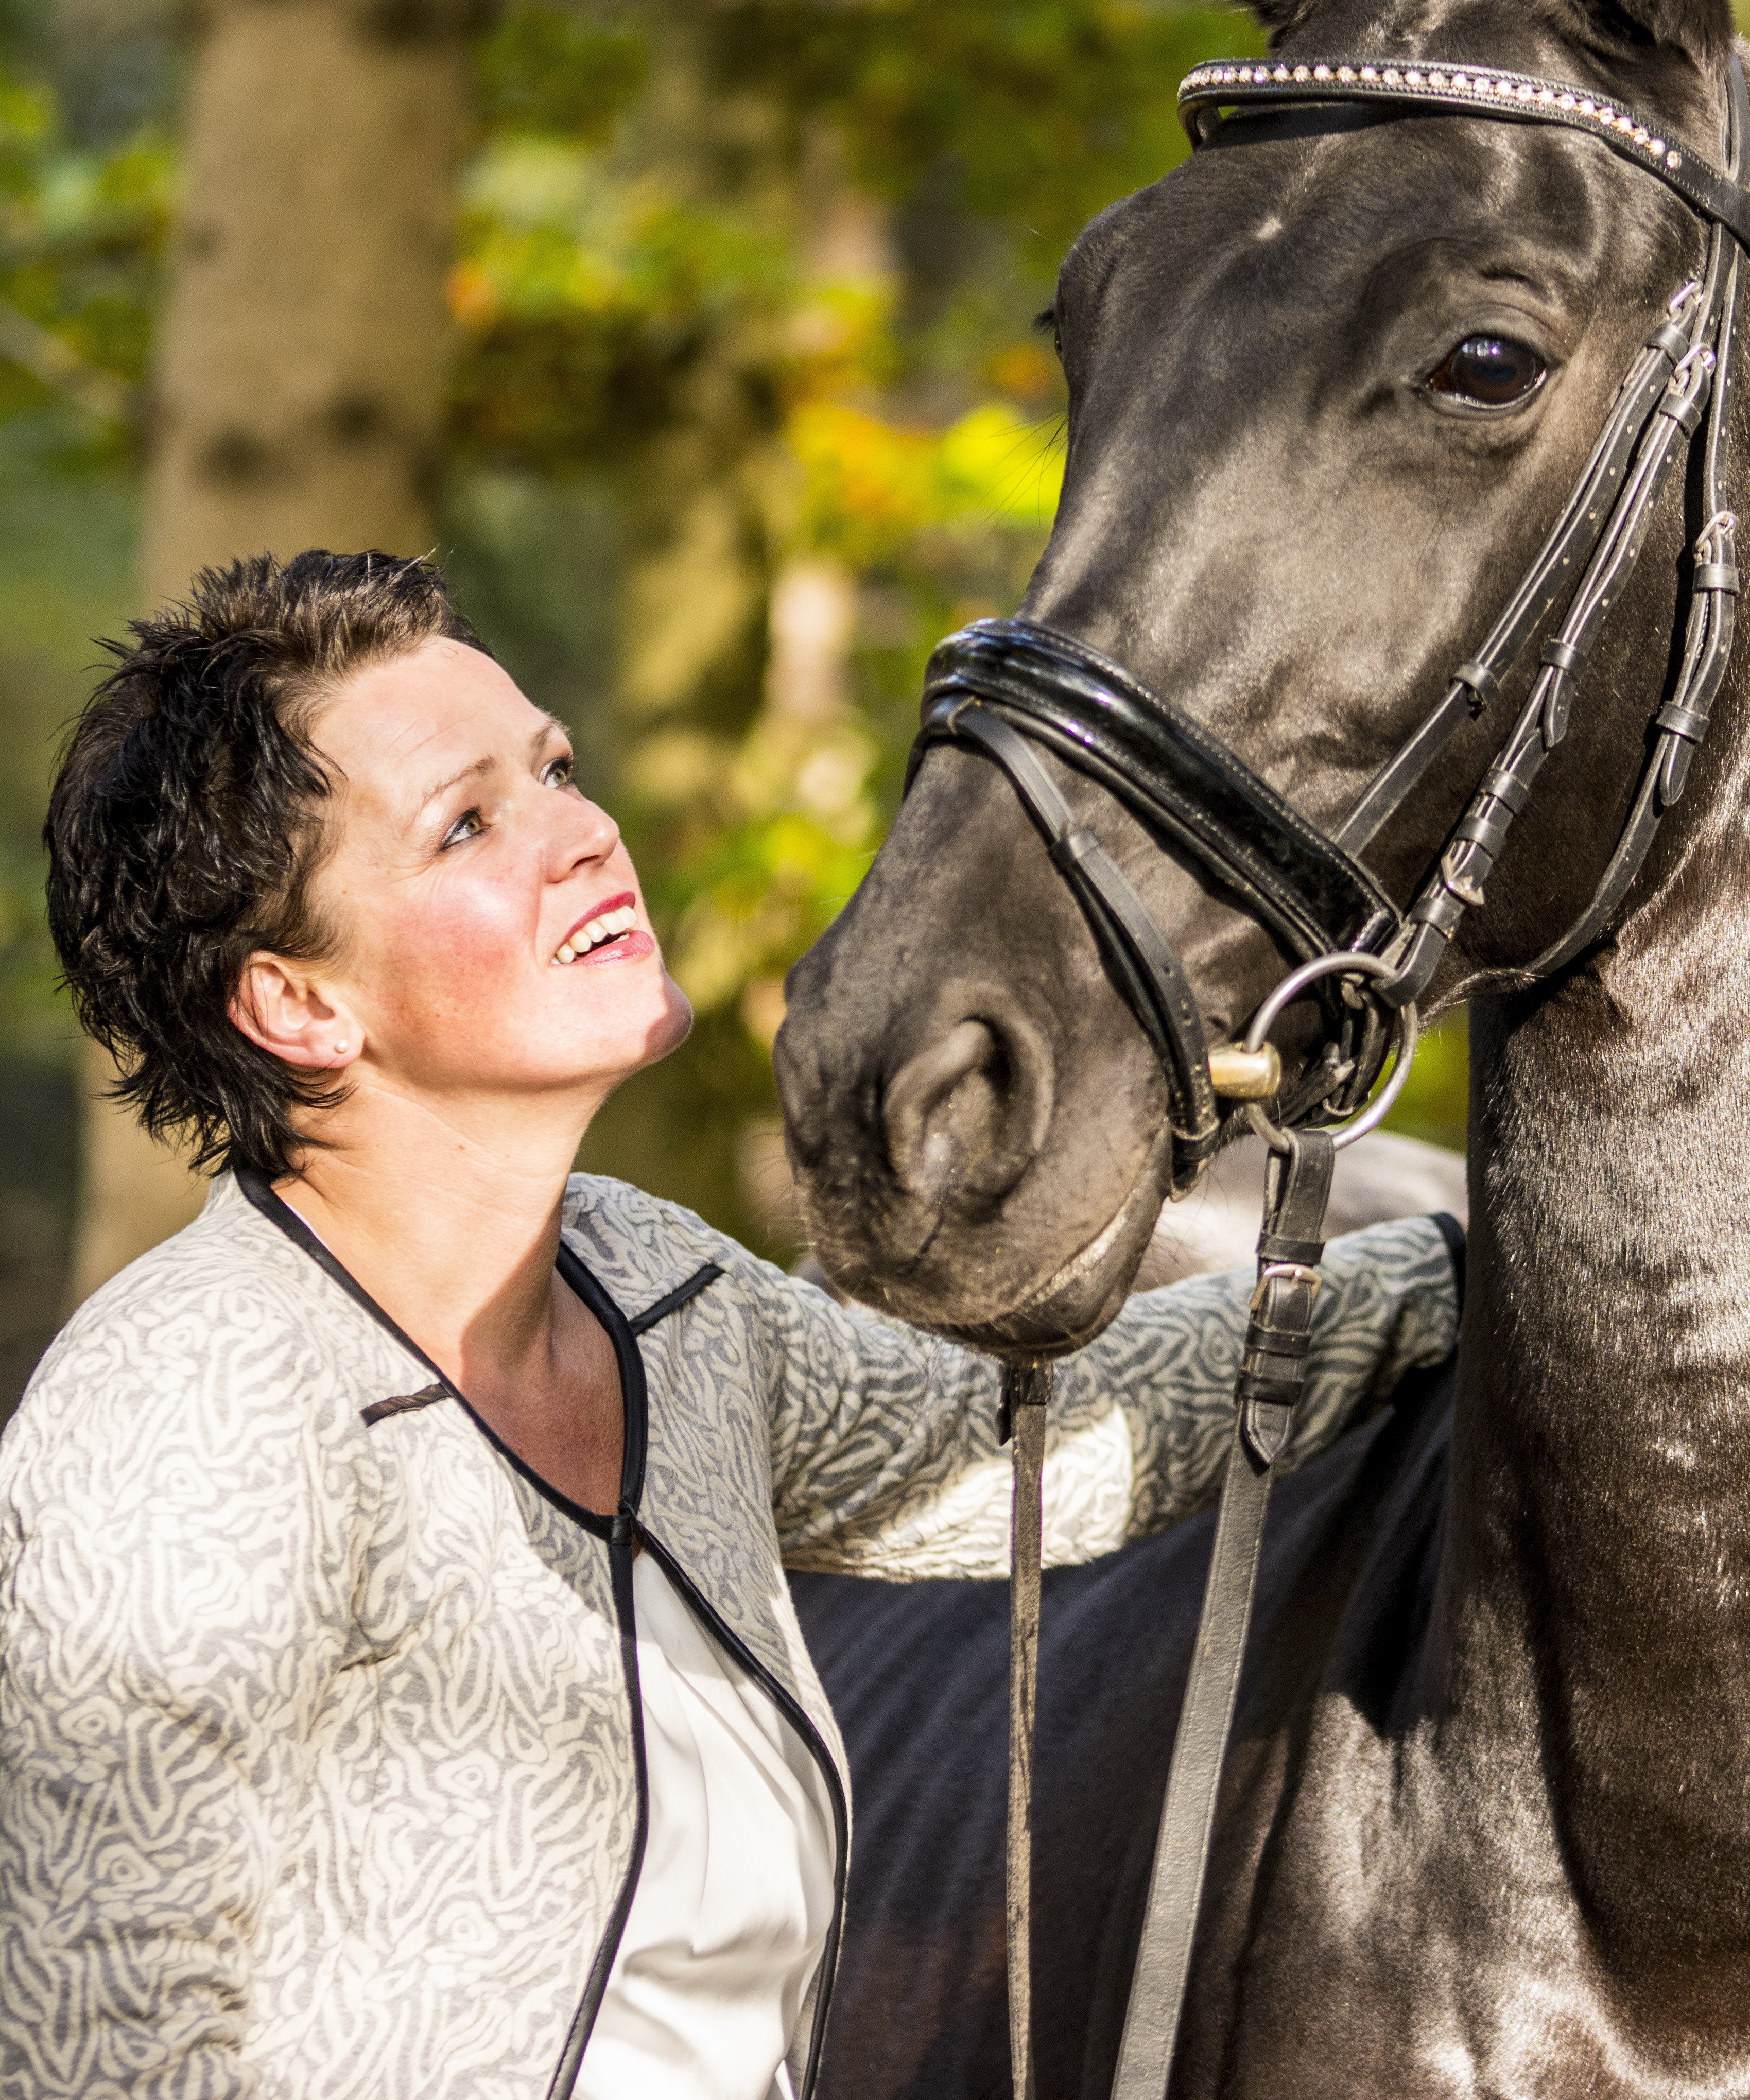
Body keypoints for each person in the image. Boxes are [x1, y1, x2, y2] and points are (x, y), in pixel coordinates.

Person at [0, 550, 1461, 2100]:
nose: (585, 833)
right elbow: (94, 2042)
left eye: (556, 768)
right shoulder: (189, 1413)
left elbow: (1022, 1440)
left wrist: (1465, 1269)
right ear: (298, 1007)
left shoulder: (651, 1290)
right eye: (470, 823)